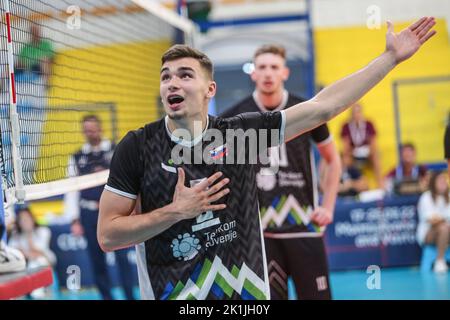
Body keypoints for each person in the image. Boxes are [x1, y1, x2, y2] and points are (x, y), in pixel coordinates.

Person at [97, 17, 436, 300]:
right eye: (166, 76)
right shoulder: (137, 147)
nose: (173, 82)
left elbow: (324, 107)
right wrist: (175, 212)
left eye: (185, 74)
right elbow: (108, 236)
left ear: (209, 89)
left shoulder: (239, 135)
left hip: (244, 300)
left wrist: (390, 58)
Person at [221, 44, 341, 300]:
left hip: (304, 226)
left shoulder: (307, 110)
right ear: (253, 73)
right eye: (262, 67)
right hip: (259, 235)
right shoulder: (234, 117)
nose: (268, 73)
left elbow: (333, 159)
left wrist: (328, 207)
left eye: (274, 67)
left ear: (284, 72)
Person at [64, 115, 136, 300]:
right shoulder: (77, 156)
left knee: (122, 259)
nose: (91, 132)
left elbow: (129, 181)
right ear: (83, 132)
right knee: (97, 260)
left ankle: (130, 296)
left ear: (100, 128)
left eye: (93, 128)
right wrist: (74, 220)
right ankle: (107, 298)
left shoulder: (115, 150)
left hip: (116, 213)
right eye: (87, 129)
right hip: (88, 214)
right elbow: (71, 189)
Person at [8, 207, 56, 298]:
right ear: (18, 222)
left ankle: (38, 293)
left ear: (32, 218)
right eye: (22, 219)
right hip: (25, 264)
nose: (25, 221)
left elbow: (39, 252)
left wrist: (29, 235)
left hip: (45, 260)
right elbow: (12, 253)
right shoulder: (16, 235)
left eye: (27, 218)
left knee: (38, 261)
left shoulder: (43, 231)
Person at [341, 103, 383, 188]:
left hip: (367, 153)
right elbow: (346, 145)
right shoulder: (346, 126)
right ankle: (345, 182)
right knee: (345, 158)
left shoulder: (368, 124)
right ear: (351, 114)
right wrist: (351, 152)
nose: (357, 115)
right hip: (354, 154)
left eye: (358, 112)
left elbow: (373, 142)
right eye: (354, 113)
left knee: (376, 156)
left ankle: (380, 184)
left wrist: (370, 151)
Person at [417, 171, 450, 273]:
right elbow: (432, 221)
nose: (443, 183)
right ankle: (439, 261)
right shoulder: (425, 198)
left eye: (444, 180)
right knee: (443, 228)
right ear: (433, 183)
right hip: (428, 235)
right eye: (440, 181)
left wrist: (442, 219)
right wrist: (445, 218)